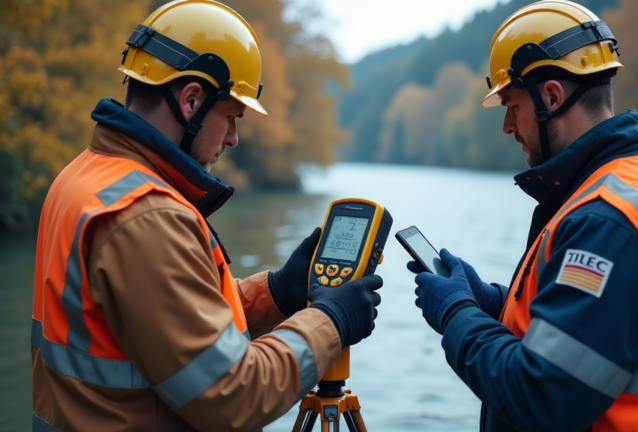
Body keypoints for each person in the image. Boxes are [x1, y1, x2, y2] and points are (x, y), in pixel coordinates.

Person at [30, 1, 382, 431]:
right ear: (191, 100)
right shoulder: (146, 216)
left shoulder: (84, 176)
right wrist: (331, 320)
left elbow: (159, 317)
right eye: (232, 117)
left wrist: (277, 293)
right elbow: (233, 394)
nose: (234, 138)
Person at [408, 1, 638, 431]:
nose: (508, 126)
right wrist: (495, 305)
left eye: (512, 105)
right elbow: (592, 332)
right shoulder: (632, 182)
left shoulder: (607, 220)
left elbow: (543, 394)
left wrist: (457, 314)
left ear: (552, 96)